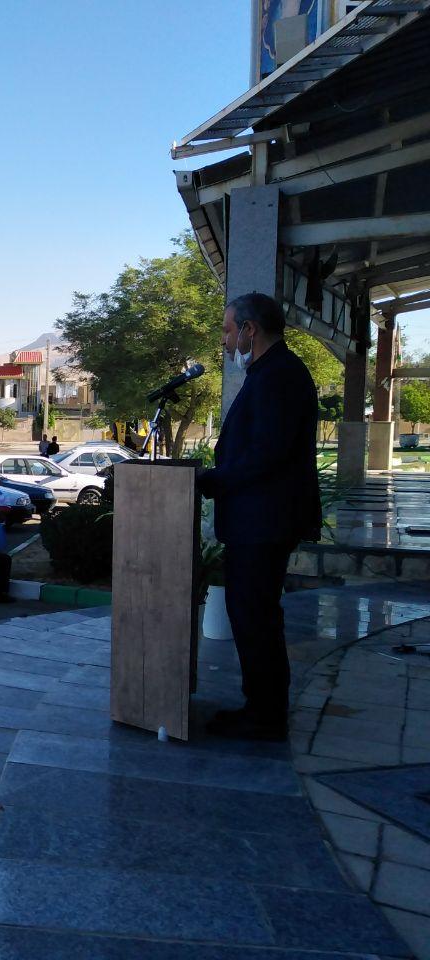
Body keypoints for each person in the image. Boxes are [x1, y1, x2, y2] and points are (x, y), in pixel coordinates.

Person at [198, 291, 321, 742]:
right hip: (258, 520)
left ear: (250, 329)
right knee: (252, 613)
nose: (225, 341)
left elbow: (267, 453)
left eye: (229, 330)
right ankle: (260, 707)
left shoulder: (279, 375)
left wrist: (212, 480)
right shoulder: (269, 372)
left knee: (256, 616)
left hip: (264, 521)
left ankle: (265, 716)